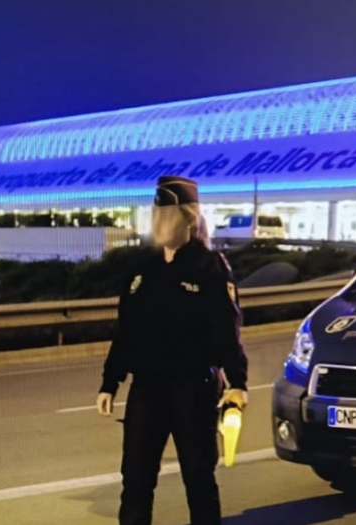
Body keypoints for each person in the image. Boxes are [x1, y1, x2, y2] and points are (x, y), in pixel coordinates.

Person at [96, 175, 249, 525]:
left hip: (193, 388)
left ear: (189, 219)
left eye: (168, 215)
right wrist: (110, 382)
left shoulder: (209, 267)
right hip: (146, 388)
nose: (159, 223)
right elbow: (125, 331)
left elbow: (228, 330)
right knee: (135, 480)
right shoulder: (142, 269)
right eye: (156, 214)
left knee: (198, 480)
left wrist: (238, 382)